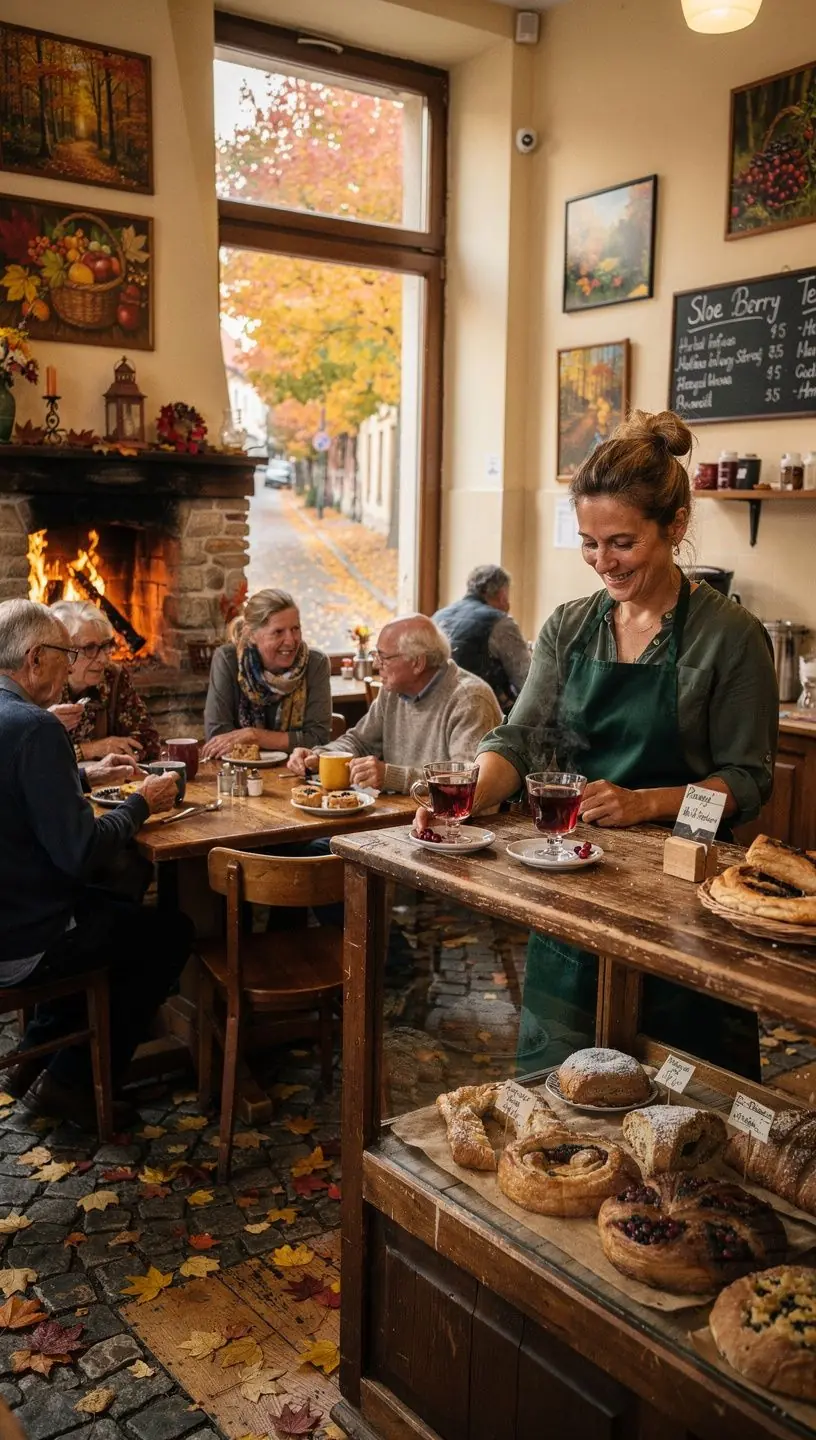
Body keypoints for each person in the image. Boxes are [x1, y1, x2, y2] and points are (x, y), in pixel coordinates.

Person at [457, 410, 779, 1079]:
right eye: (590, 544)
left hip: (685, 895)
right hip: (577, 882)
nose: (603, 562)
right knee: (563, 1088)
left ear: (676, 526)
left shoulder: (730, 636)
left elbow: (746, 781)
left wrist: (644, 803)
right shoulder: (570, 627)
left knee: (682, 1099)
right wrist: (468, 796)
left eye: (622, 543)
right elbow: (521, 736)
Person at [0, 599, 193, 1130]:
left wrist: (87, 777)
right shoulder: (36, 727)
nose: (70, 668)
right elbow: (81, 852)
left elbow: (17, 793)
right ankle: (69, 1084)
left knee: (114, 906)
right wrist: (142, 803)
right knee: (169, 933)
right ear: (35, 658)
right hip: (24, 940)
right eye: (66, 654)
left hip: (10, 910)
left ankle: (32, 1058)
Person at [288, 615, 502, 792]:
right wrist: (321, 755)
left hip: (452, 824)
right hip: (400, 815)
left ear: (417, 662)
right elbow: (359, 742)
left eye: (383, 657)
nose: (376, 664)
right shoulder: (393, 691)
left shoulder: (470, 700)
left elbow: (465, 781)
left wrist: (392, 777)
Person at [202, 588, 331, 761]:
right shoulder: (228, 660)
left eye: (295, 629)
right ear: (251, 634)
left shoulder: (316, 663)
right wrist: (286, 741)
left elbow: (318, 740)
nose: (291, 641)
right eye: (278, 632)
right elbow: (218, 738)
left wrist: (254, 736)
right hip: (239, 771)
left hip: (296, 769)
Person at [49, 600, 161, 763]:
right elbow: (29, 755)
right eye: (90, 648)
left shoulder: (113, 677)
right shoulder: (41, 685)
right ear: (64, 651)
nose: (103, 659)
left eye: (105, 646)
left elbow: (149, 741)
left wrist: (126, 754)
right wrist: (88, 750)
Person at [433, 564, 531, 713]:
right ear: (502, 595)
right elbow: (527, 680)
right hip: (477, 709)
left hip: (437, 708)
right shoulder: (500, 622)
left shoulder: (439, 616)